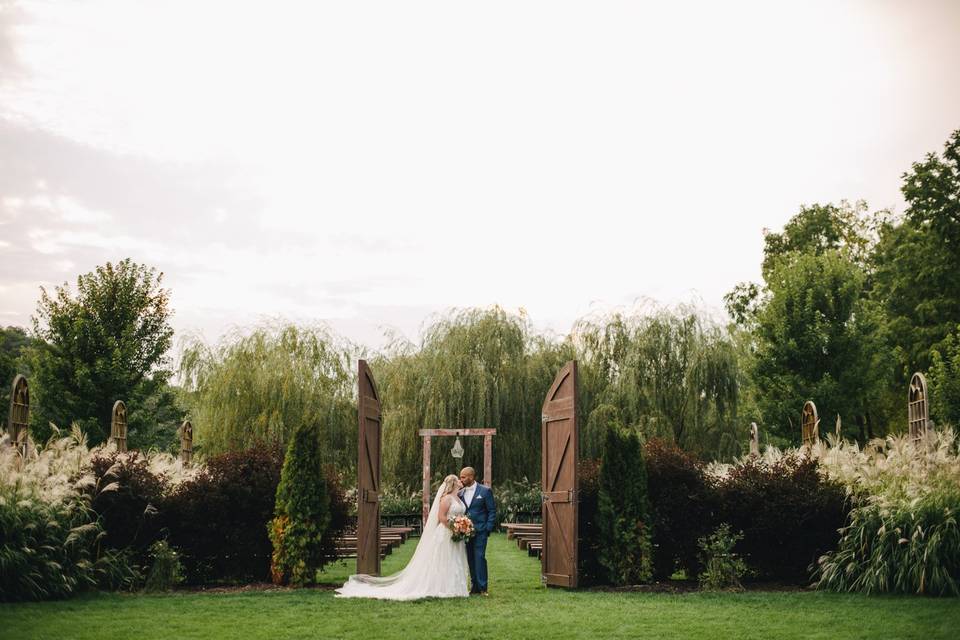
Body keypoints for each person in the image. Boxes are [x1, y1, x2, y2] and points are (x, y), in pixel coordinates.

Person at [335, 474, 469, 600]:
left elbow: (459, 515)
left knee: (454, 558)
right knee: (444, 559)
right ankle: (443, 587)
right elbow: (441, 517)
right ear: (453, 483)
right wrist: (455, 527)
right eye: (458, 479)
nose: (460, 481)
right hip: (446, 533)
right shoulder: (446, 499)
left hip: (456, 533)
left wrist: (462, 526)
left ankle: (456, 587)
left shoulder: (458, 498)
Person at [458, 466, 496, 595]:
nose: (461, 479)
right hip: (465, 532)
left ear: (471, 477)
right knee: (470, 559)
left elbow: (491, 511)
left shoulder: (485, 491)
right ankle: (474, 587)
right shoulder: (460, 492)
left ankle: (483, 587)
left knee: (480, 557)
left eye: (463, 477)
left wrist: (488, 528)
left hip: (481, 531)